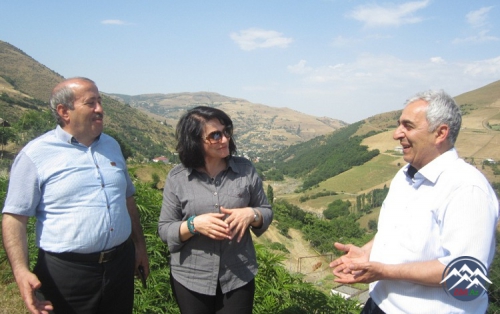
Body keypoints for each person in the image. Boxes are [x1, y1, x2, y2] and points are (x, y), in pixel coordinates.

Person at [329, 90, 498, 313]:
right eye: (399, 125)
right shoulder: (406, 175)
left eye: (408, 126)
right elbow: (396, 231)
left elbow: (465, 277)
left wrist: (384, 271)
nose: (396, 134)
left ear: (440, 133)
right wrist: (368, 252)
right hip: (379, 303)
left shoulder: (467, 189)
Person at [2, 77, 149, 314]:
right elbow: (14, 218)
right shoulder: (36, 154)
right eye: (91, 103)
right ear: (64, 111)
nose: (100, 109)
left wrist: (139, 246)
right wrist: (20, 270)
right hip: (67, 275)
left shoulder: (112, 146)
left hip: (120, 267)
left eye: (100, 101)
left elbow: (127, 199)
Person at [158, 106, 273, 314]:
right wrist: (194, 225)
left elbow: (266, 210)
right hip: (191, 278)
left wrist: (251, 214)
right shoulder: (178, 179)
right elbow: (165, 229)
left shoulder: (245, 170)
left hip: (238, 276)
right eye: (215, 135)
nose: (225, 139)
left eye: (226, 131)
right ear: (195, 142)